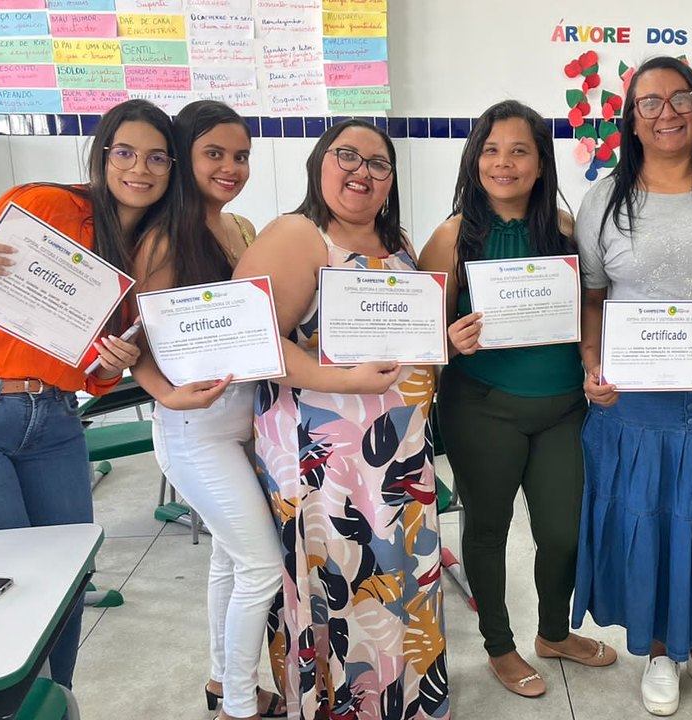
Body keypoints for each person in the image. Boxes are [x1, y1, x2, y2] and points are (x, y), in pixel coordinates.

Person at [0, 98, 165, 689]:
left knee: (68, 578)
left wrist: (112, 365)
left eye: (156, 158)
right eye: (125, 152)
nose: (139, 169)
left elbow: (91, 375)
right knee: (8, 586)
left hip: (53, 418)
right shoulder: (44, 205)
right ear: (102, 155)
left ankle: (56, 698)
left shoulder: (146, 250)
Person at [234, 119, 449, 719]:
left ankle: (398, 704)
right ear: (319, 164)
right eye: (346, 156)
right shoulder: (297, 235)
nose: (362, 172)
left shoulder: (395, 240)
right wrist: (345, 381)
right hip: (326, 460)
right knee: (342, 582)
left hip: (398, 458)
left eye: (378, 163)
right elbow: (249, 338)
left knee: (395, 582)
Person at [573, 55, 692, 718]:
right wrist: (592, 366)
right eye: (649, 102)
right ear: (631, 119)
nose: (667, 113)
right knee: (650, 515)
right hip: (635, 392)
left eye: (681, 98)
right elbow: (593, 297)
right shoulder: (604, 199)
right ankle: (660, 650)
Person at [419, 100, 617, 698]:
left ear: (540, 163)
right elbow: (421, 331)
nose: (503, 163)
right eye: (491, 150)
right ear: (474, 159)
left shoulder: (566, 229)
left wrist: (596, 365)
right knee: (488, 530)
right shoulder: (452, 236)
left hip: (562, 407)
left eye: (519, 151)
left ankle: (554, 632)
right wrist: (448, 340)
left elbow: (591, 308)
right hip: (483, 408)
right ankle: (500, 646)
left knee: (563, 532)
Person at [130, 100, 287, 720]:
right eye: (213, 154)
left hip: (247, 422)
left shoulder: (242, 228)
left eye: (241, 155)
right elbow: (135, 342)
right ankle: (241, 707)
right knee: (262, 565)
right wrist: (164, 393)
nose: (230, 167)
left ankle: (224, 682)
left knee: (230, 556)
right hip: (195, 431)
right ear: (183, 158)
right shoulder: (163, 240)